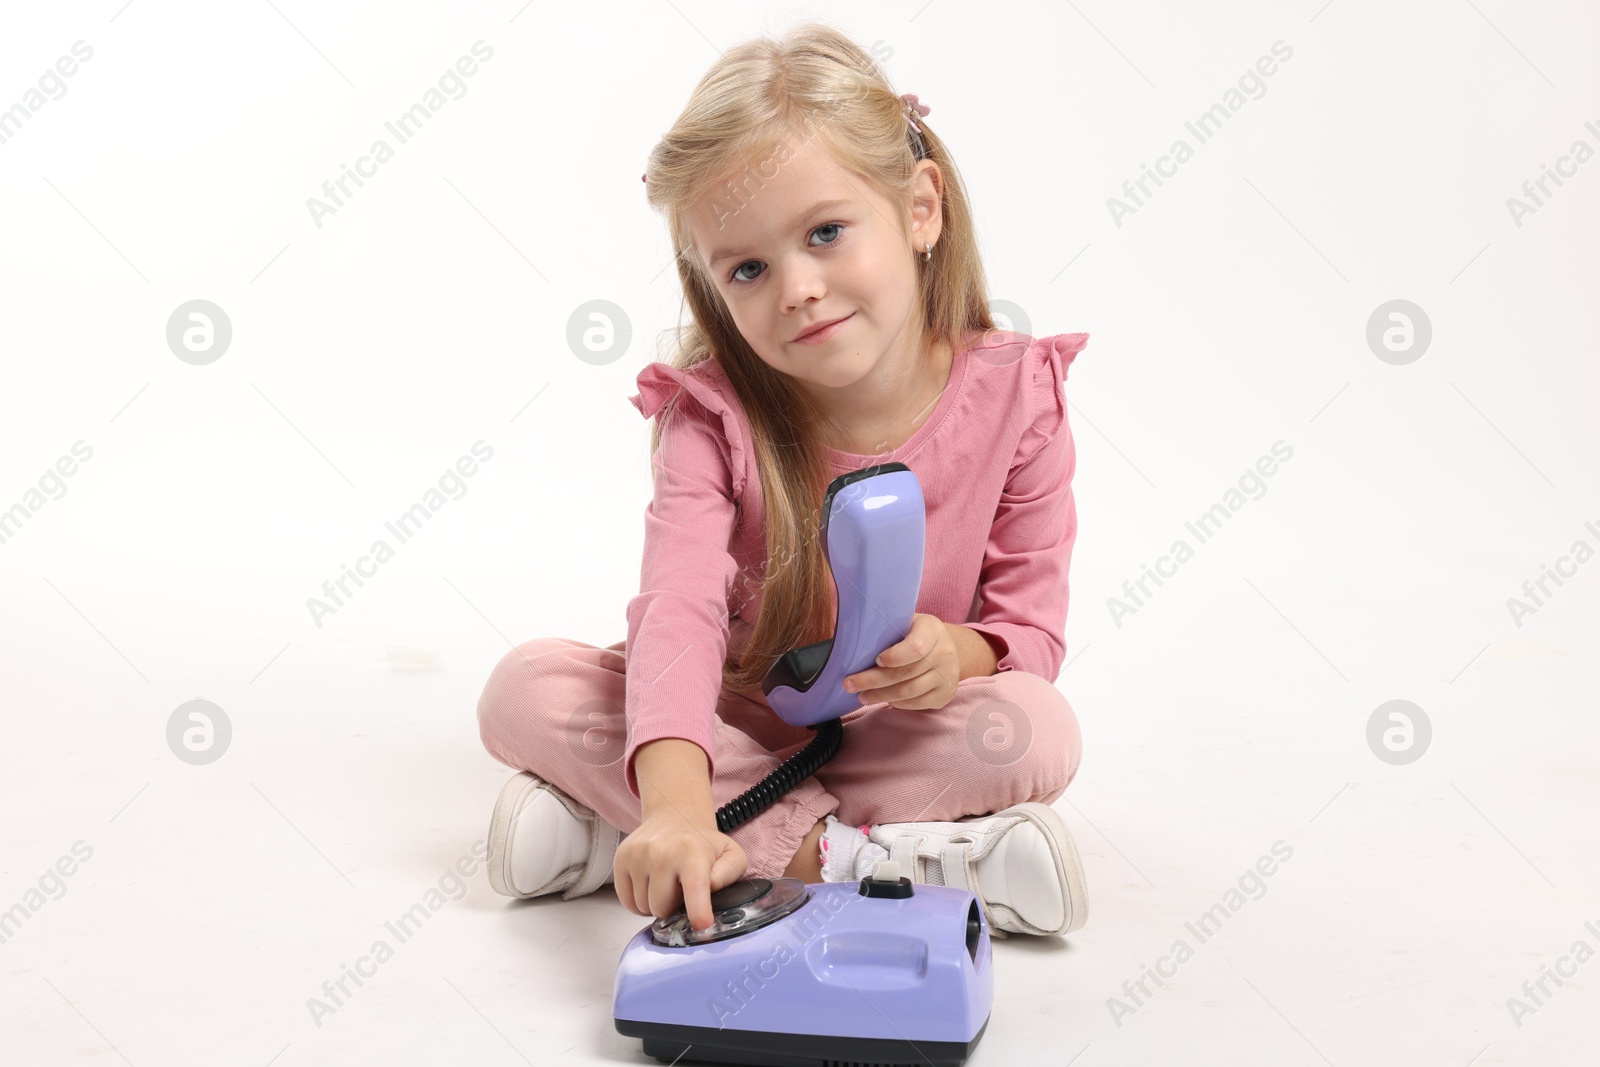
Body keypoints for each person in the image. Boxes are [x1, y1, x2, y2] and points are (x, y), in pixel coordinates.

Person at [476, 21, 1091, 939]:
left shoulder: (1019, 395)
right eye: (750, 267)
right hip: (722, 725)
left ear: (920, 209)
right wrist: (680, 796)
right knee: (523, 688)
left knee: (1035, 727)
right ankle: (862, 859)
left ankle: (632, 839)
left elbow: (1029, 633)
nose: (796, 287)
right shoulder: (712, 417)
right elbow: (677, 611)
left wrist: (954, 659)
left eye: (826, 232)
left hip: (888, 734)